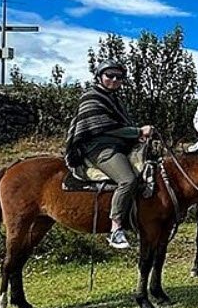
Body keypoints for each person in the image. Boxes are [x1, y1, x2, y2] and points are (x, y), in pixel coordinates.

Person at [64, 59, 153, 249]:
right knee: (128, 179)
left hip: (119, 146)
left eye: (118, 77)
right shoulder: (92, 97)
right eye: (109, 75)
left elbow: (121, 127)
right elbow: (105, 128)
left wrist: (137, 138)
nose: (114, 79)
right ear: (99, 76)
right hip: (100, 148)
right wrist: (138, 132)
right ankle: (116, 228)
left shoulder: (115, 100)